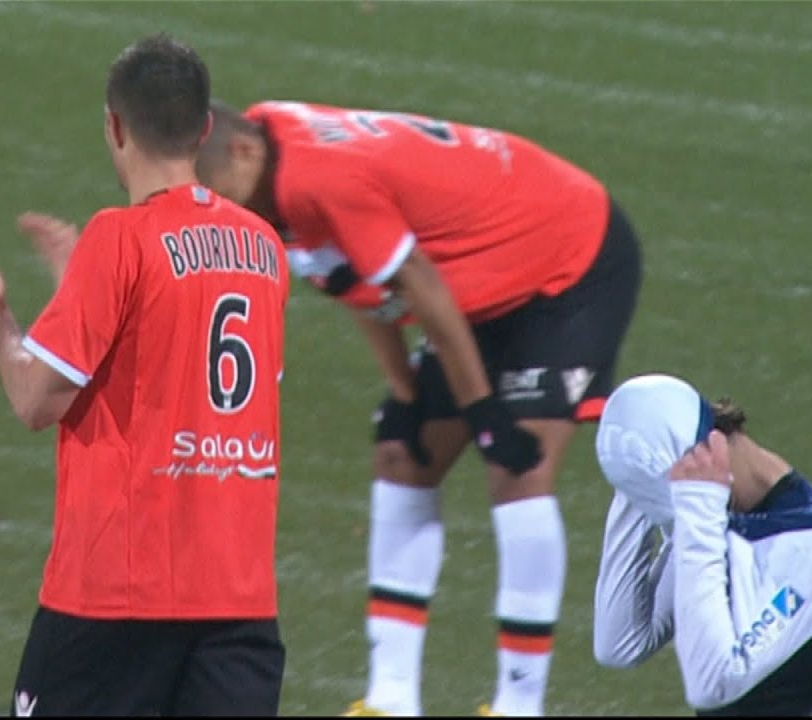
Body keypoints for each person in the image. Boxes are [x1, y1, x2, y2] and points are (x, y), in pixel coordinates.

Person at [196, 100, 643, 716]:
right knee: (402, 455)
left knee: (518, 471)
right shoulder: (267, 163)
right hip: (480, 280)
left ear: (242, 154)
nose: (211, 208)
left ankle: (521, 705)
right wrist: (406, 394)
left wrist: (483, 412)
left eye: (211, 189)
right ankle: (392, 698)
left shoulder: (312, 178)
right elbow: (359, 281)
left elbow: (417, 284)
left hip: (567, 258)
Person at [0, 34, 290, 717]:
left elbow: (36, 399)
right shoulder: (264, 248)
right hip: (239, 605)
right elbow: (186, 366)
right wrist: (79, 286)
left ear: (115, 126)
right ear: (205, 129)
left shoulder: (120, 238)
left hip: (117, 600)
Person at [593, 373, 812, 716]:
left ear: (711, 446)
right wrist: (634, 492)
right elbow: (619, 645)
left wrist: (695, 503)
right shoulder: (707, 516)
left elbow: (711, 685)